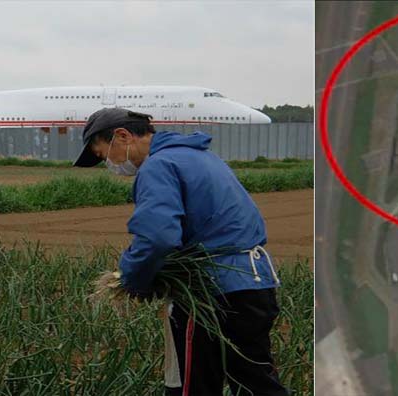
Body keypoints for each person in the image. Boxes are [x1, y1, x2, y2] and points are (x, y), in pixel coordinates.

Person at [73, 108, 289, 396]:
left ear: (122, 136)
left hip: (210, 292)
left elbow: (157, 237)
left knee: (194, 386)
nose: (109, 164)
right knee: (256, 383)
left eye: (103, 155)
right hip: (254, 284)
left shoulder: (159, 166)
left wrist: (131, 278)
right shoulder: (201, 157)